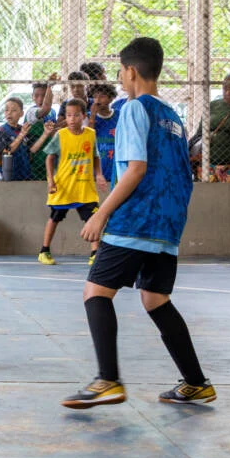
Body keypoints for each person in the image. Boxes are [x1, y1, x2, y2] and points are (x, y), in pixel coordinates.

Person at [63, 37, 215, 409]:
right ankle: (196, 383)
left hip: (135, 219)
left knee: (96, 293)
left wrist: (101, 213)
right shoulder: (174, 118)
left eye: (120, 71)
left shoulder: (134, 109)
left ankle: (108, 380)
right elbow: (182, 173)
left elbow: (135, 169)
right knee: (155, 299)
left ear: (130, 72)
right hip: (167, 224)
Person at [39, 98, 108, 266]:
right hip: (63, 186)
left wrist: (98, 174)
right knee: (54, 218)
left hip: (84, 187)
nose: (71, 119)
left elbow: (96, 156)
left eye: (76, 115)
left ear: (84, 116)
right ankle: (44, 251)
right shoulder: (60, 135)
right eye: (69, 115)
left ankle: (95, 253)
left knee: (92, 218)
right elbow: (49, 158)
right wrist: (51, 181)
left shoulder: (90, 134)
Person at [0, 97, 32, 181]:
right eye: (6, 110)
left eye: (14, 110)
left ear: (21, 113)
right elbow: (6, 151)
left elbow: (31, 150)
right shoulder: (2, 130)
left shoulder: (23, 129)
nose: (9, 113)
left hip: (24, 174)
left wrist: (46, 133)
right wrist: (21, 135)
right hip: (8, 175)